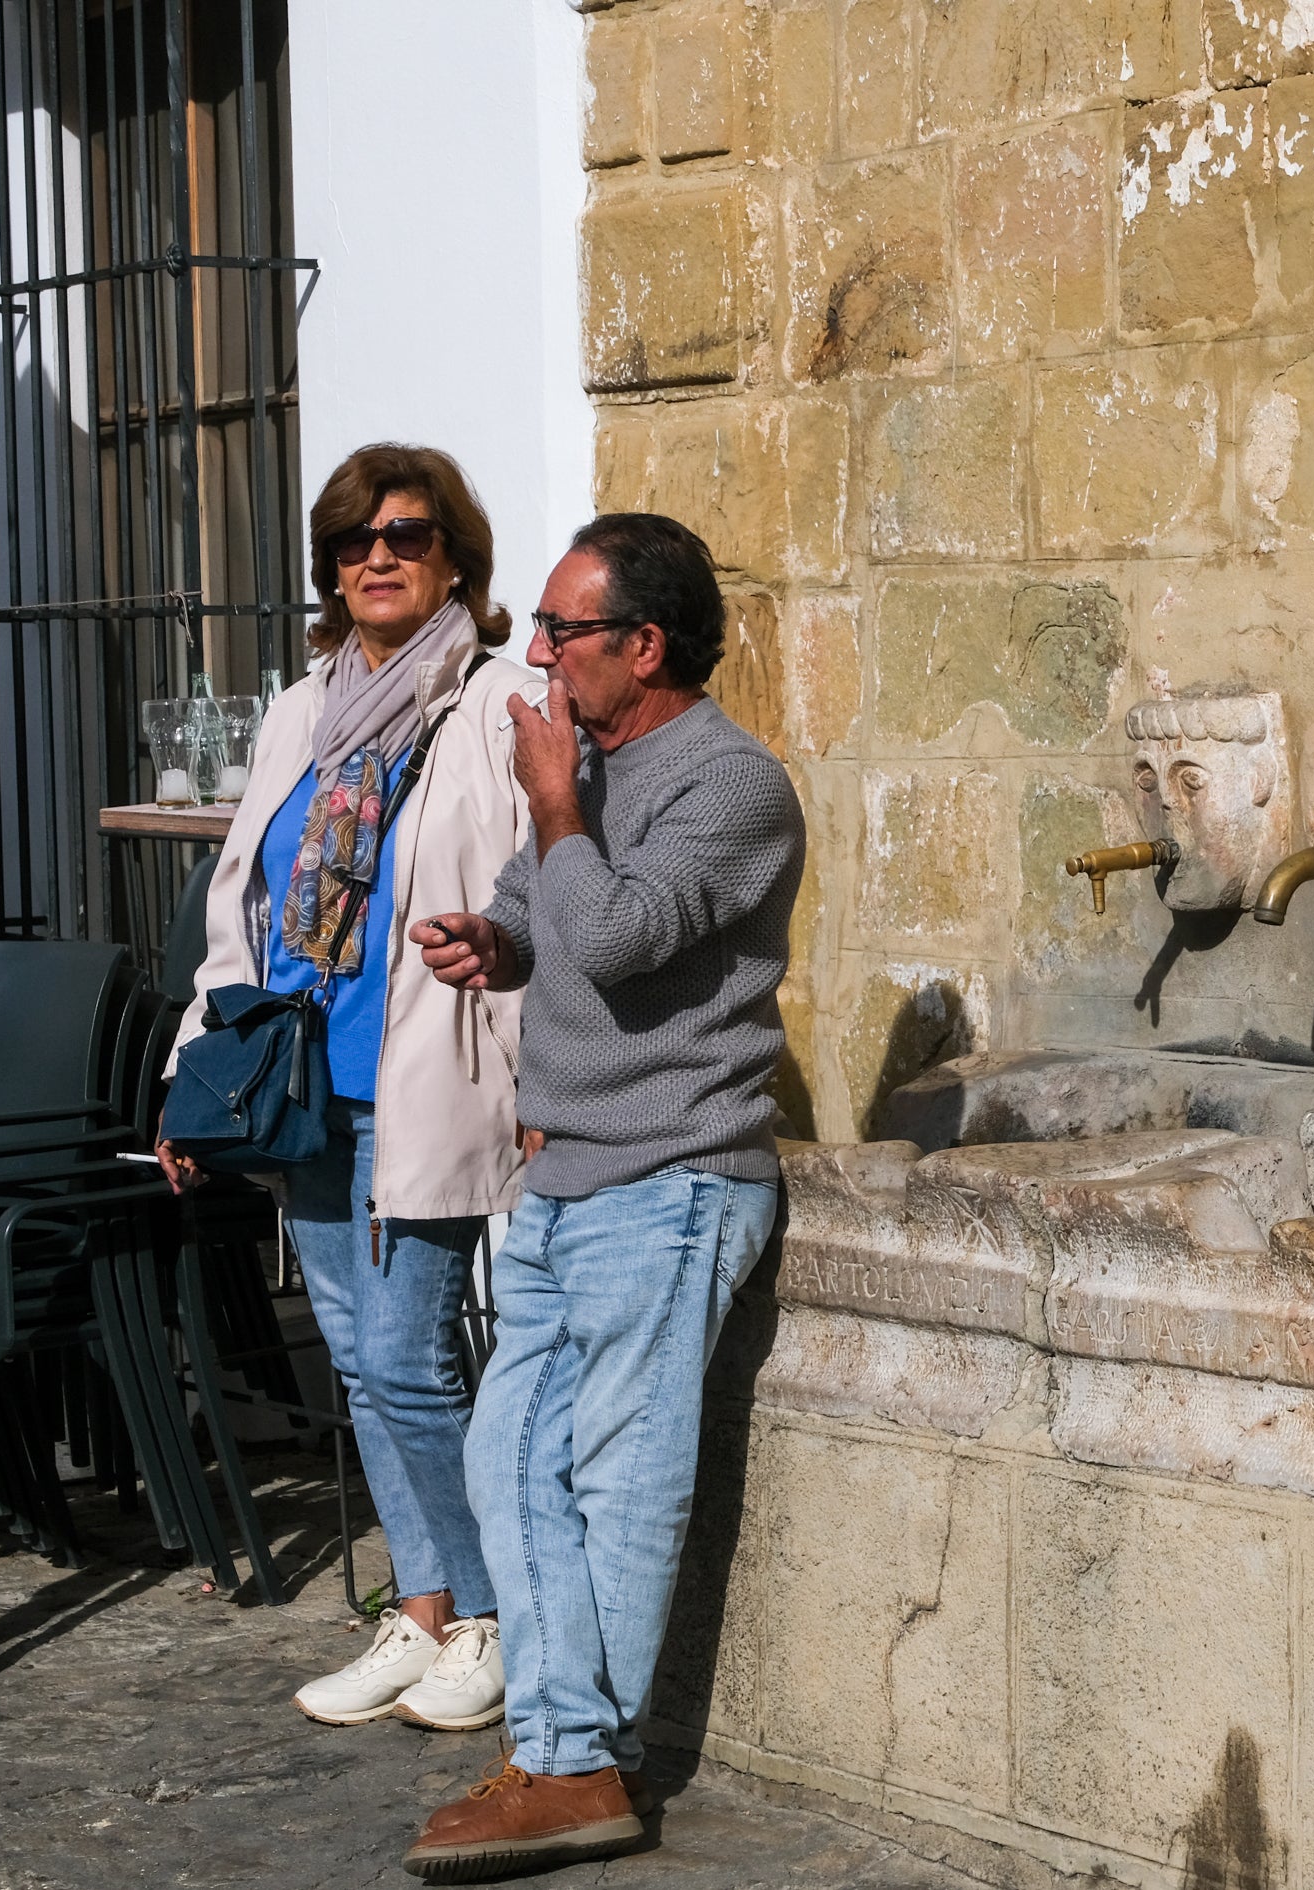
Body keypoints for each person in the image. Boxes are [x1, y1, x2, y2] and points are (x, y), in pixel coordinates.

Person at [398, 513, 803, 1880]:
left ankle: (577, 1764)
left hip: (674, 1175)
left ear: (645, 645)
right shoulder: (588, 762)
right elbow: (552, 917)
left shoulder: (730, 785)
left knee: (621, 1480)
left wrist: (557, 803)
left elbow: (624, 937)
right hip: (572, 1167)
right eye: (542, 626)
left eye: (565, 630)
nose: (539, 650)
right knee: (508, 1458)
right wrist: (493, 941)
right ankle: (563, 1750)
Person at [159, 443, 531, 1731]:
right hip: (302, 1076)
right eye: (355, 541)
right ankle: (420, 1614)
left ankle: (489, 1618)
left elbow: (535, 885)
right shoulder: (298, 709)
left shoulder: (491, 704)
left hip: (423, 1070)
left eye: (409, 536)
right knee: (361, 1369)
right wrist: (190, 1073)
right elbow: (243, 904)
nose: (379, 557)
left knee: (408, 1352)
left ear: (455, 563)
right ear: (330, 568)